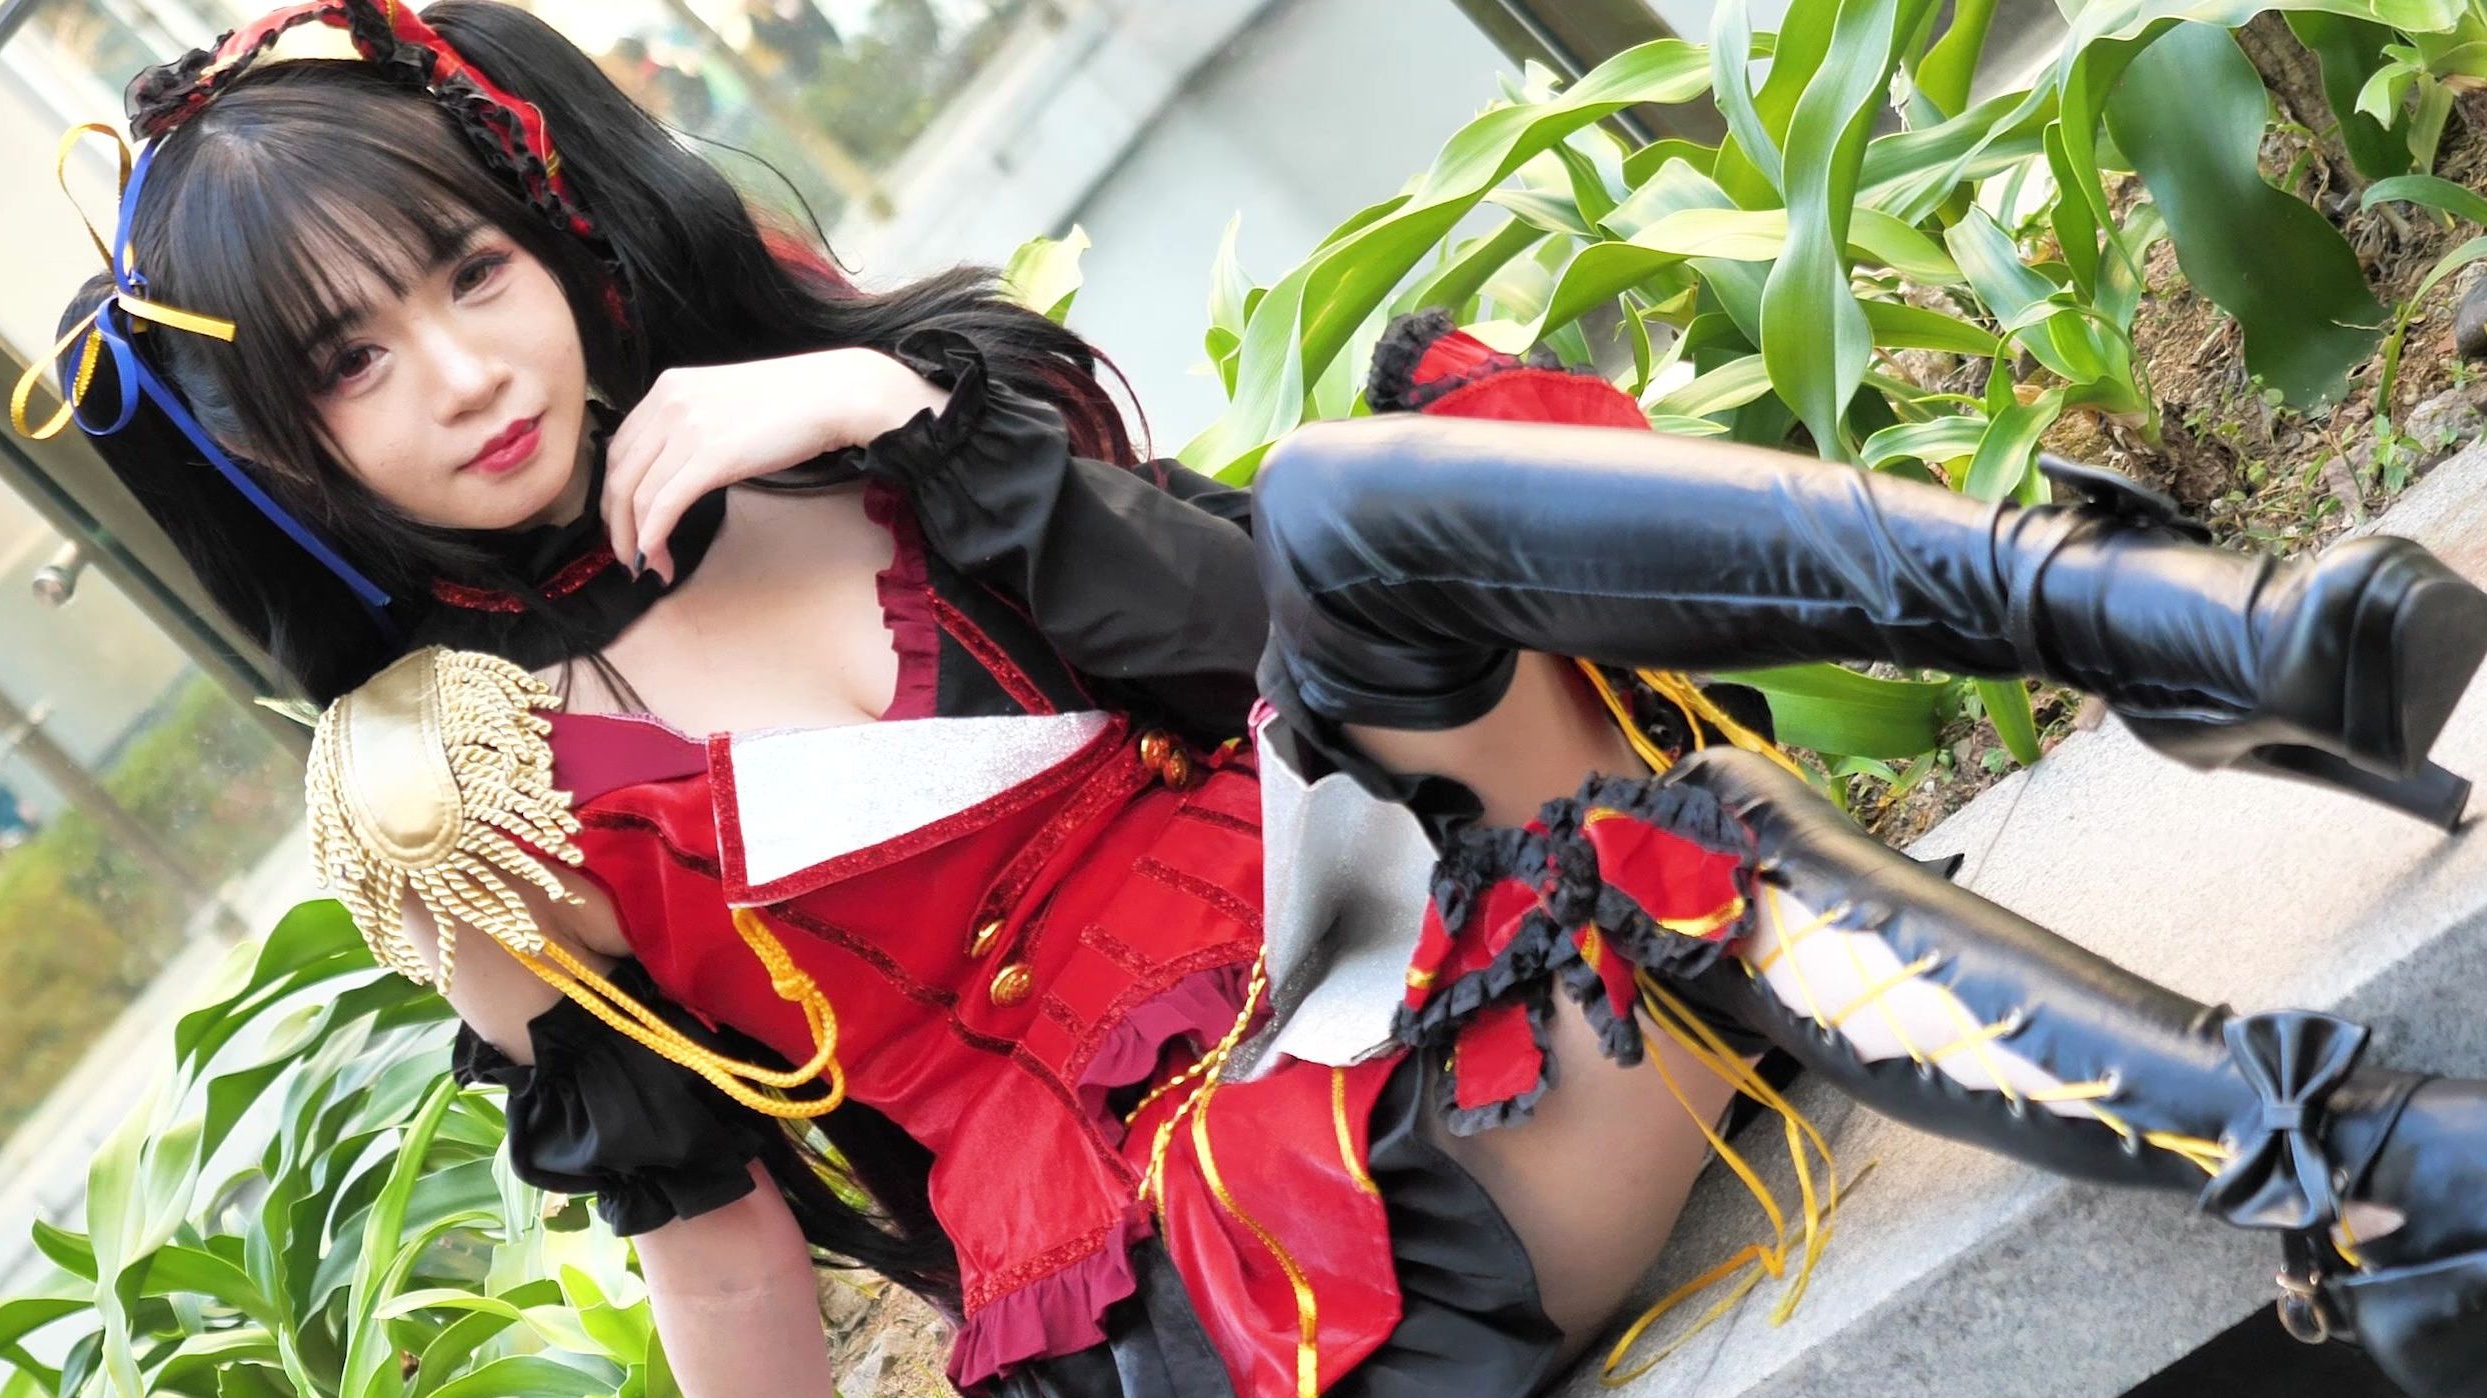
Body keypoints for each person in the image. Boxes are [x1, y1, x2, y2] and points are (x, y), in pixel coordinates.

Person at [23, 2, 2487, 1394]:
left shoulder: (865, 444)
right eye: (355, 362)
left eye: (467, 274)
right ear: (286, 449)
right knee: (1674, 866)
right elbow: (725, 1267)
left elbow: (1264, 635)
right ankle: (2331, 1039)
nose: (461, 371)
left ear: (553, 232)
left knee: (1355, 516)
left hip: (1415, 926)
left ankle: (2222, 672)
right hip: (1243, 1258)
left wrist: (893, 414)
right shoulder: (483, 802)